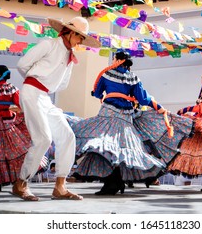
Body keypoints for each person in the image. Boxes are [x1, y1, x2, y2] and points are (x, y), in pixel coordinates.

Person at [69, 51, 193, 195]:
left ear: (118, 60)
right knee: (120, 151)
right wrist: (157, 106)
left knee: (106, 148)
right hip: (125, 118)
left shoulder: (107, 74)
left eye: (114, 58)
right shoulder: (134, 78)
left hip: (108, 115)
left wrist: (98, 94)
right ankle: (116, 182)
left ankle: (113, 183)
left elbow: (97, 93)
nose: (113, 60)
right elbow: (142, 99)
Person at [12, 16, 101, 201]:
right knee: (43, 139)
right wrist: (33, 82)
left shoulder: (70, 58)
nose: (81, 41)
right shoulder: (49, 44)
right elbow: (22, 64)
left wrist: (45, 85)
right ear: (70, 32)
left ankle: (60, 187)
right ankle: (21, 183)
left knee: (67, 135)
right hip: (32, 90)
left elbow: (62, 85)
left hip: (45, 96)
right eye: (80, 36)